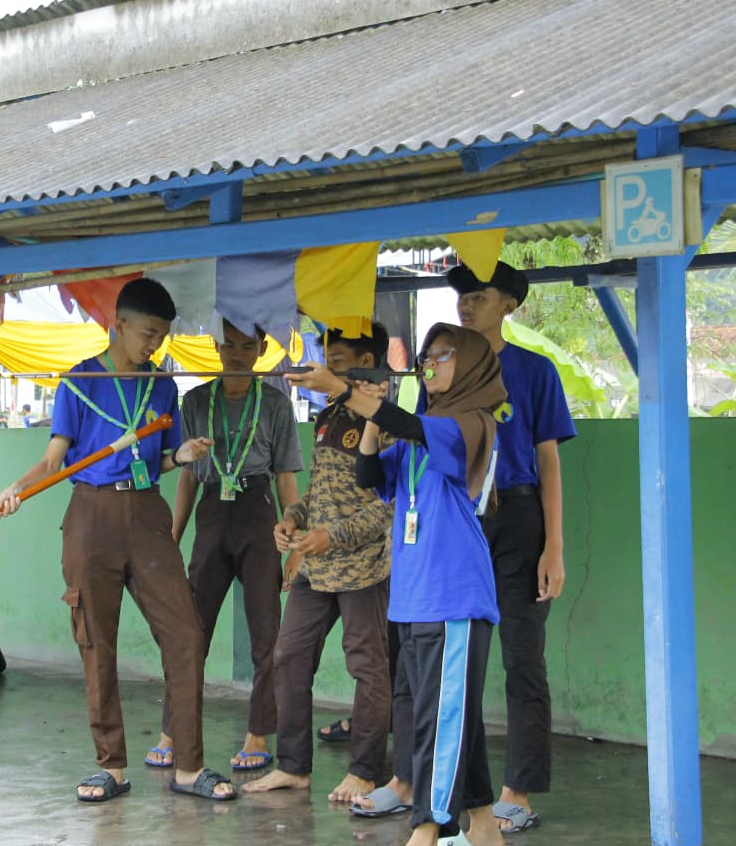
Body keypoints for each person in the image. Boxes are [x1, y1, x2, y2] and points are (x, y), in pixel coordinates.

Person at [0, 278, 235, 803]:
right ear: (119, 325)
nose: (155, 345)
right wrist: (17, 489)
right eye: (148, 333)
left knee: (186, 634)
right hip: (91, 516)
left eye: (162, 336)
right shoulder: (80, 382)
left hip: (147, 515)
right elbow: (54, 460)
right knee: (96, 642)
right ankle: (112, 766)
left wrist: (182, 455)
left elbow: (161, 458)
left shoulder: (162, 386)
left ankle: (189, 767)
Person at [297, 322, 506, 846]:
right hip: (414, 599)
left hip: (452, 596)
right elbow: (369, 474)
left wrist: (343, 390)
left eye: (443, 354)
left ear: (471, 364)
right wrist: (368, 410)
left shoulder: (470, 424)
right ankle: (484, 827)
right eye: (426, 355)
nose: (429, 363)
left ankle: (427, 829)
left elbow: (409, 426)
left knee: (442, 719)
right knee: (447, 716)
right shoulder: (419, 434)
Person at [243, 325, 394, 803]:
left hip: (363, 568)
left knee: (367, 667)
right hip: (316, 565)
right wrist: (293, 517)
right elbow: (320, 490)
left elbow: (389, 504)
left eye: (339, 360)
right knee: (288, 656)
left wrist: (335, 536)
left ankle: (366, 772)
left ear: (367, 363)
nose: (326, 368)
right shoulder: (328, 415)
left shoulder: (387, 419)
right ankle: (293, 767)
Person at [449, 261, 576, 833]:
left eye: (478, 296)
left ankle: (516, 791)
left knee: (523, 658)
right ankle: (456, 787)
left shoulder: (535, 370)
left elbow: (548, 461)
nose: (465, 305)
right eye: (461, 297)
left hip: (521, 518)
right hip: (461, 517)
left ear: (509, 305)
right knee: (456, 659)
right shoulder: (445, 370)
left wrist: (554, 546)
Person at [146, 320, 303, 772]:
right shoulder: (196, 401)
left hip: (258, 510)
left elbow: (286, 477)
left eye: (247, 346)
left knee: (266, 631)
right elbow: (188, 475)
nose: (237, 354)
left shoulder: (274, 403)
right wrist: (173, 537)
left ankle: (258, 732)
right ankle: (173, 730)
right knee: (190, 629)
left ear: (262, 349)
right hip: (212, 511)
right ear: (215, 346)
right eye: (229, 345)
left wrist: (295, 545)